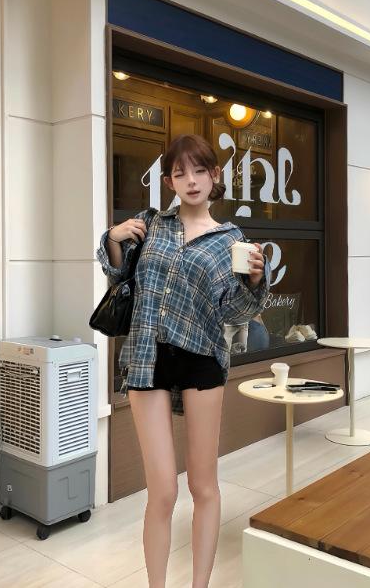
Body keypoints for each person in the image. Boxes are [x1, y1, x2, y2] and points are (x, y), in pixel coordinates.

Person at [97, 134, 271, 588]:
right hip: (147, 357)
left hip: (202, 359)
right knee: (162, 489)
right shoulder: (151, 224)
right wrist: (112, 238)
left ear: (214, 176)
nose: (190, 180)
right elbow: (117, 274)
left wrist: (254, 281)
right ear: (168, 181)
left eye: (199, 171)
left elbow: (235, 311)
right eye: (180, 173)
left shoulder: (230, 241)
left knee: (202, 485)